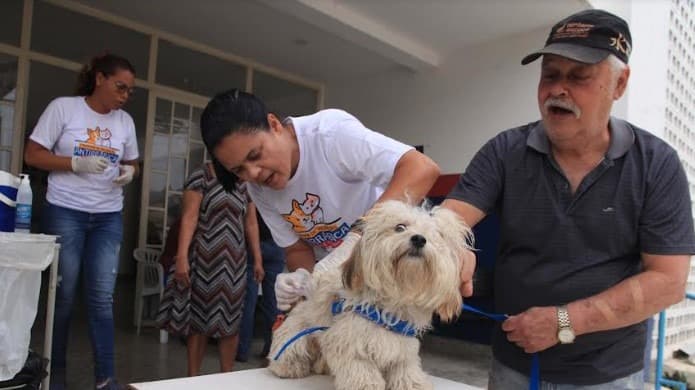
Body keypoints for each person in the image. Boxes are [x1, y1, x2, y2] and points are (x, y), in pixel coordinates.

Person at [442, 9, 695, 388]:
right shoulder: (505, 151)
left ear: (620, 83)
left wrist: (564, 322)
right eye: (550, 75)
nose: (558, 89)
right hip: (512, 365)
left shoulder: (656, 164)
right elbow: (449, 219)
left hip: (608, 375)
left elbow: (668, 281)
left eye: (579, 76)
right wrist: (447, 244)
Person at [198, 89, 474, 311]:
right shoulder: (259, 189)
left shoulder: (329, 135)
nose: (254, 173)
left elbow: (422, 169)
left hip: (383, 274)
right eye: (239, 170)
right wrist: (302, 281)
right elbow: (296, 250)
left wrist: (357, 238)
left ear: (274, 125)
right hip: (334, 283)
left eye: (255, 155)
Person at [24, 53, 139, 390]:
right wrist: (75, 164)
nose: (124, 96)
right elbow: (33, 154)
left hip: (107, 216)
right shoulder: (64, 108)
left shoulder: (125, 122)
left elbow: (134, 162)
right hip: (66, 211)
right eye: (120, 87)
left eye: (130, 91)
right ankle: (54, 379)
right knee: (63, 297)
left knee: (102, 299)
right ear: (99, 79)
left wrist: (129, 173)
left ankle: (106, 380)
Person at [156, 161, 262, 376]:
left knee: (231, 323)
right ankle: (193, 378)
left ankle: (226, 378)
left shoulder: (245, 182)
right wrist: (182, 257)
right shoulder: (201, 176)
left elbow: (251, 223)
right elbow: (189, 217)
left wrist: (258, 259)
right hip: (204, 259)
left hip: (235, 262)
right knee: (199, 322)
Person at [236, 209, 285, 365]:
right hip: (277, 245)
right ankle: (273, 350)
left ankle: (241, 350)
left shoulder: (253, 189)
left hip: (252, 244)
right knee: (274, 303)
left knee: (247, 303)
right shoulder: (280, 192)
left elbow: (248, 221)